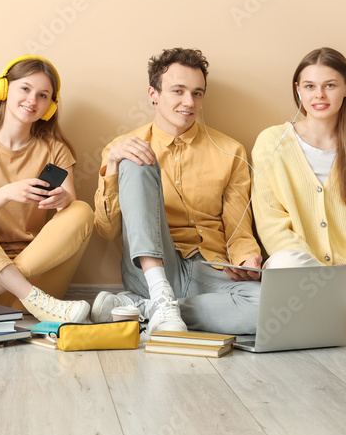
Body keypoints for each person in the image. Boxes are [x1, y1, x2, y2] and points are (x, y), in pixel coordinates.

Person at [91, 47, 262, 335]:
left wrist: (248, 260)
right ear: (153, 94)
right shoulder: (123, 147)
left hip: (210, 269)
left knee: (273, 309)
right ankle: (157, 294)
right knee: (137, 157)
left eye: (197, 93)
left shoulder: (231, 151)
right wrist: (112, 163)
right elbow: (107, 231)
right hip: (151, 268)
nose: (189, 102)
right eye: (178, 91)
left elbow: (238, 230)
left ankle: (144, 309)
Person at [0, 55, 93, 323]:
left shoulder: (56, 149)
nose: (33, 100)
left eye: (43, 95)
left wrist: (62, 198)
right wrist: (6, 193)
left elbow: (68, 220)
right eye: (25, 89)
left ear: (51, 106)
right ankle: (13, 289)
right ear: (3, 89)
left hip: (25, 285)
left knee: (81, 209)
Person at [251, 47, 346, 299]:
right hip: (298, 273)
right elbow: (271, 223)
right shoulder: (271, 142)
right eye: (309, 86)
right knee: (284, 262)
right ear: (298, 88)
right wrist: (327, 278)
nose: (319, 95)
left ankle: (340, 308)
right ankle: (336, 307)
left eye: (330, 85)